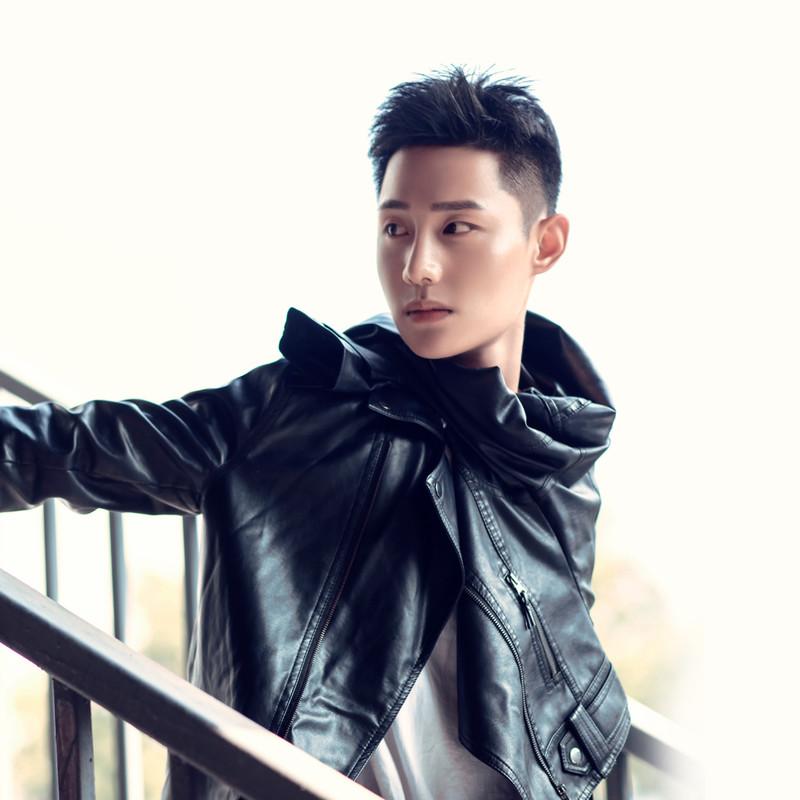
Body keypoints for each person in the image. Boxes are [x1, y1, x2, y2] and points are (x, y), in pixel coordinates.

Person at [0, 66, 630, 799]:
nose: (417, 266)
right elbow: (76, 446)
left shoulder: (556, 465)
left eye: (456, 228)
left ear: (544, 243)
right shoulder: (309, 406)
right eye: (396, 229)